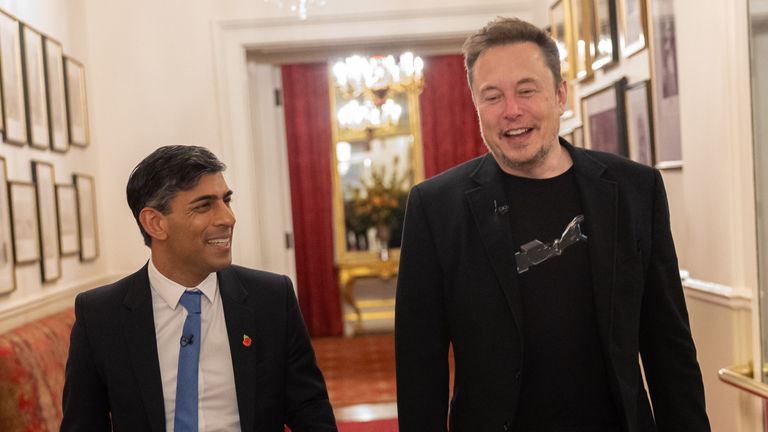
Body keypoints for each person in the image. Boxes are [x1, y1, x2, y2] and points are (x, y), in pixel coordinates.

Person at [394, 17, 710, 432]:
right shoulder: (435, 208)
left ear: (560, 95)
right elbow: (420, 370)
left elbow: (669, 349)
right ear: (476, 105)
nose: (512, 110)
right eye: (492, 97)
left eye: (527, 90)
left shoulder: (636, 189)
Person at [61, 145, 337, 431]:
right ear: (155, 223)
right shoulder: (100, 316)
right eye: (204, 205)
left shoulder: (271, 299)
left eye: (226, 200)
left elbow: (310, 411)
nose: (227, 218)